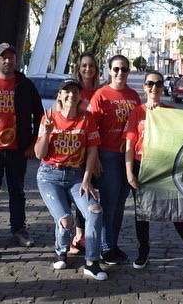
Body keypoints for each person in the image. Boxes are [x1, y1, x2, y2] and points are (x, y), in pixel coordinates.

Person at [124, 71, 183, 270]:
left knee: (176, 210)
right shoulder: (137, 112)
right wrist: (129, 172)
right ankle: (143, 251)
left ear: (163, 88)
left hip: (165, 168)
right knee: (142, 212)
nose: (154, 88)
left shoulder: (171, 111)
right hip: (142, 166)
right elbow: (129, 144)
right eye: (150, 84)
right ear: (144, 87)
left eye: (158, 84)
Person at [34, 78, 107, 280]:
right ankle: (61, 251)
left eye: (75, 91)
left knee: (95, 210)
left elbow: (92, 151)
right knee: (66, 219)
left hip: (76, 176)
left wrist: (87, 179)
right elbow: (39, 154)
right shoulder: (49, 117)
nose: (71, 95)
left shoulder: (87, 119)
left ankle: (92, 262)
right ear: (60, 95)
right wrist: (46, 133)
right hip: (50, 175)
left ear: (80, 96)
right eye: (66, 91)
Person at [0, 43, 43, 250]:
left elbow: (39, 114)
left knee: (17, 191)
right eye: (3, 57)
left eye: (11, 57)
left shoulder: (25, 84)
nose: (8, 60)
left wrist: (33, 143)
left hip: (18, 149)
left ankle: (19, 229)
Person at [88, 54, 141, 264]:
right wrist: (95, 158)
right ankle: (105, 247)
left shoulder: (134, 96)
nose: (120, 73)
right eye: (116, 69)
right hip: (107, 155)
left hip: (128, 156)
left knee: (120, 205)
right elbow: (91, 129)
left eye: (124, 69)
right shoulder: (101, 95)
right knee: (109, 204)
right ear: (110, 71)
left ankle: (113, 244)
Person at [70, 52, 101, 255]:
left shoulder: (101, 91)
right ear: (78, 68)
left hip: (95, 148)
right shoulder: (73, 91)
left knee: (90, 193)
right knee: (77, 194)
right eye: (84, 65)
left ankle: (89, 236)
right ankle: (77, 235)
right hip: (75, 150)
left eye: (91, 66)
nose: (87, 69)